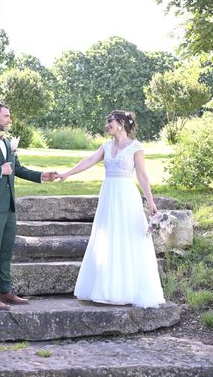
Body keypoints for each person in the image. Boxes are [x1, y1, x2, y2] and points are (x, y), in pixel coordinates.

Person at [57, 110, 165, 308]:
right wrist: (67, 173)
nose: (107, 126)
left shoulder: (136, 147)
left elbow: (142, 175)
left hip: (126, 196)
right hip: (108, 195)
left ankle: (127, 289)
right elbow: (88, 161)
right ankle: (105, 288)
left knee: (127, 237)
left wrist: (151, 203)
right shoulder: (106, 146)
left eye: (110, 122)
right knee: (107, 237)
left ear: (121, 123)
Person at [0, 102, 58, 311]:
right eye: (6, 116)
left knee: (6, 251)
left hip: (9, 206)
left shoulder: (8, 142)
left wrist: (42, 176)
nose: (9, 120)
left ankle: (5, 292)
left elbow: (17, 168)